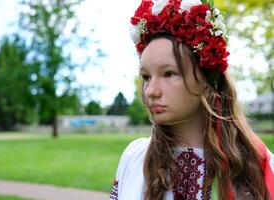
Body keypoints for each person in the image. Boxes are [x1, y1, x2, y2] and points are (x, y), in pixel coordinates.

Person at [109, 0, 274, 199]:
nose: (151, 91)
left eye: (169, 73)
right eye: (146, 77)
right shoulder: (135, 158)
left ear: (207, 80)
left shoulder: (254, 165)